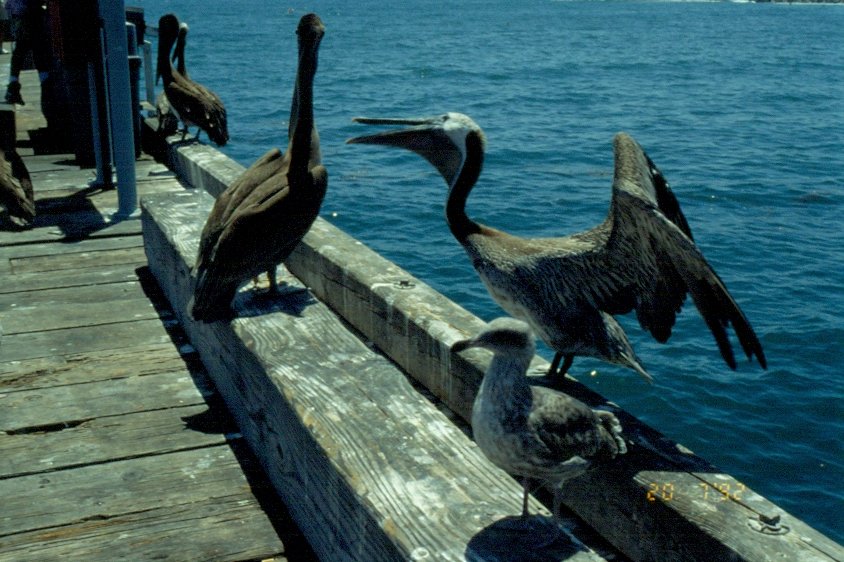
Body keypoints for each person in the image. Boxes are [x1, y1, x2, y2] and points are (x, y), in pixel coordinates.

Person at [5, 0, 50, 106]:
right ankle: (46, 86)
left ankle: (13, 86)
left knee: (20, 51)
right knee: (37, 51)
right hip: (30, 14)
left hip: (20, 14)